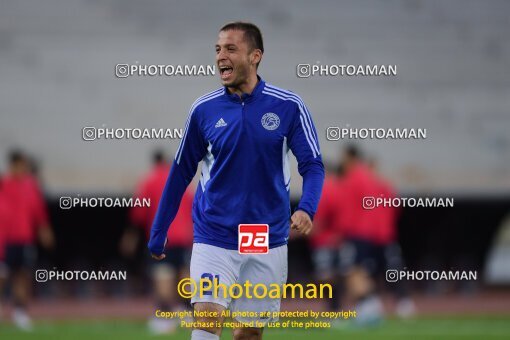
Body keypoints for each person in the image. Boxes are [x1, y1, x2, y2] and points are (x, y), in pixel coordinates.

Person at [148, 22, 324, 340]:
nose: (220, 57)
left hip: (263, 234)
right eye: (217, 49)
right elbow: (180, 172)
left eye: (230, 48)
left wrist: (307, 208)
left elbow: (312, 165)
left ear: (255, 56)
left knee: (248, 333)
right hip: (214, 231)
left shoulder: (288, 106)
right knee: (206, 318)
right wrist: (160, 228)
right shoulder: (203, 109)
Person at [119, 150, 194, 334]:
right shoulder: (181, 180)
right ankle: (186, 312)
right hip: (184, 237)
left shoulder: (149, 180)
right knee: (184, 275)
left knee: (163, 276)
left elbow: (139, 212)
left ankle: (166, 317)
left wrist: (130, 238)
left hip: (162, 237)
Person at [1, 150, 55, 330]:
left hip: (25, 239)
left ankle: (20, 313)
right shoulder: (3, 184)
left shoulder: (31, 185)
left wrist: (44, 229)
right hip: (4, 239)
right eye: (22, 164)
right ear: (14, 164)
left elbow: (38, 211)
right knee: (2, 275)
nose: (25, 168)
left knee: (23, 276)